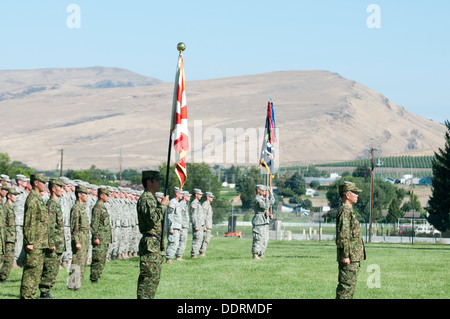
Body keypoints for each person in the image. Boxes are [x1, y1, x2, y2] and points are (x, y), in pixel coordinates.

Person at [20, 173, 54, 299]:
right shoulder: (33, 199)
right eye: (42, 182)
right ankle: (26, 296)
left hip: (40, 243)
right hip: (34, 243)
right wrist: (29, 241)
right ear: (35, 183)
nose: (45, 185)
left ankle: (31, 295)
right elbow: (29, 222)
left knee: (36, 272)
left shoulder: (39, 199)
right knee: (31, 272)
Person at [136, 170, 169, 299]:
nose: (160, 183)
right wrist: (163, 206)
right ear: (149, 182)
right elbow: (152, 219)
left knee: (152, 281)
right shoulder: (146, 199)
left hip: (154, 244)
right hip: (150, 244)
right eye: (157, 180)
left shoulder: (152, 198)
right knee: (147, 282)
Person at [335, 181, 366, 299]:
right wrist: (345, 255)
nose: (357, 195)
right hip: (349, 257)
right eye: (355, 193)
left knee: (349, 289)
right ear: (347, 195)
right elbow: (343, 235)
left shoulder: (349, 211)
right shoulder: (345, 212)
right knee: (345, 289)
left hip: (353, 257)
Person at [39, 178, 65, 298]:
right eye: (60, 188)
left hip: (58, 242)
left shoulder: (56, 204)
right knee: (49, 268)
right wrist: (50, 243)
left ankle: (47, 290)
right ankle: (44, 291)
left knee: (54, 268)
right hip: (53, 243)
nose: (62, 190)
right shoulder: (51, 205)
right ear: (54, 189)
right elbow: (49, 226)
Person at [68, 185, 90, 291]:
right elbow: (74, 227)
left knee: (82, 262)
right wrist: (76, 241)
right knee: (77, 262)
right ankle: (73, 284)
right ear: (79, 195)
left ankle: (78, 284)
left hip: (84, 238)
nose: (87, 196)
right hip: (79, 238)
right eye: (85, 194)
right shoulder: (76, 208)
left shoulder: (82, 208)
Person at [90, 187, 112, 284]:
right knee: (98, 258)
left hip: (105, 237)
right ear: (101, 195)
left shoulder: (103, 207)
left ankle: (97, 276)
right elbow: (94, 224)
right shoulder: (97, 208)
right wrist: (95, 237)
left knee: (102, 258)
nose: (108, 197)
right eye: (106, 195)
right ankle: (94, 278)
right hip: (100, 237)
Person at [0, 186, 18, 283]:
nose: (16, 197)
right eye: (14, 195)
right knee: (7, 257)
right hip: (7, 237)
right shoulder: (6, 207)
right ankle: (2, 276)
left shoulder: (10, 207)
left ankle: (4, 276)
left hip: (11, 236)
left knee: (10, 257)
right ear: (9, 196)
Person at [252, 184, 274, 260]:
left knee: (265, 238)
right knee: (258, 238)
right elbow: (264, 206)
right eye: (263, 190)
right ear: (258, 190)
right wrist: (267, 198)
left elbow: (272, 202)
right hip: (259, 220)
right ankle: (255, 254)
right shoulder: (257, 199)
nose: (265, 192)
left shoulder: (263, 198)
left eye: (265, 191)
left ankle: (261, 252)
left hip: (264, 220)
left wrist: (271, 193)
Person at [165, 187, 183, 264]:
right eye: (181, 193)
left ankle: (170, 258)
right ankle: (168, 258)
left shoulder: (177, 203)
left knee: (176, 243)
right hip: (173, 227)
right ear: (176, 193)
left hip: (177, 226)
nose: (182, 195)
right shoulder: (172, 202)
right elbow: (170, 215)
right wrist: (170, 227)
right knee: (172, 243)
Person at [13, 174, 28, 269]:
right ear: (19, 181)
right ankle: (15, 261)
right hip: (16, 221)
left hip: (23, 221)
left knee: (22, 242)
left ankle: (20, 260)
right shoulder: (15, 192)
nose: (26, 183)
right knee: (17, 242)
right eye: (24, 181)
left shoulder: (25, 193)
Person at [175, 191, 190, 261]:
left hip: (185, 225)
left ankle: (179, 255)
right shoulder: (181, 204)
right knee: (182, 241)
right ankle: (178, 256)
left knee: (183, 241)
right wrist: (180, 226)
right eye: (188, 196)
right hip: (182, 226)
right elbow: (179, 215)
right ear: (184, 196)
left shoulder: (185, 204)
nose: (189, 197)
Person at [190, 188, 205, 259]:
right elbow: (194, 215)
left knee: (200, 239)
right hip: (197, 225)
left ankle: (195, 253)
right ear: (196, 194)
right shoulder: (194, 203)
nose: (201, 196)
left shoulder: (198, 203)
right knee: (197, 239)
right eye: (200, 194)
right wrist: (196, 225)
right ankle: (193, 254)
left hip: (200, 224)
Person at [200, 192, 214, 257]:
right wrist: (204, 226)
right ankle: (202, 252)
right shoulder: (205, 205)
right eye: (211, 197)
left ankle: (203, 251)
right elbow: (203, 216)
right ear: (207, 197)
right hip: (206, 226)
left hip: (209, 225)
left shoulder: (209, 205)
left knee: (207, 239)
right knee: (205, 239)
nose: (212, 198)